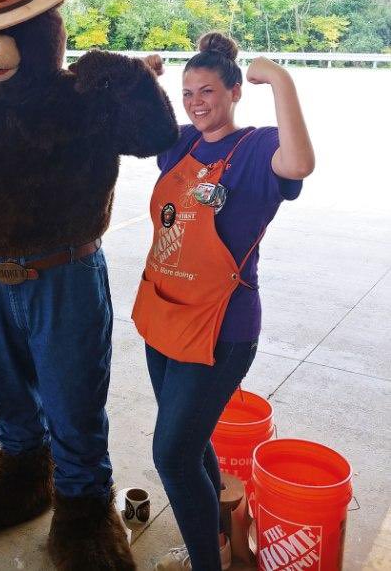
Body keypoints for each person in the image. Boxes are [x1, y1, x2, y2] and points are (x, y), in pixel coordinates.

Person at [132, 32, 315, 571]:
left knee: (171, 453)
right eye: (188, 93)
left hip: (221, 330)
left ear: (235, 91)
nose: (196, 102)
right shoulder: (182, 142)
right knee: (189, 442)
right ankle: (216, 541)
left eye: (207, 91)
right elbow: (120, 129)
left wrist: (280, 78)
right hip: (164, 315)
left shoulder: (257, 149)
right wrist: (143, 81)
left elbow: (300, 163)